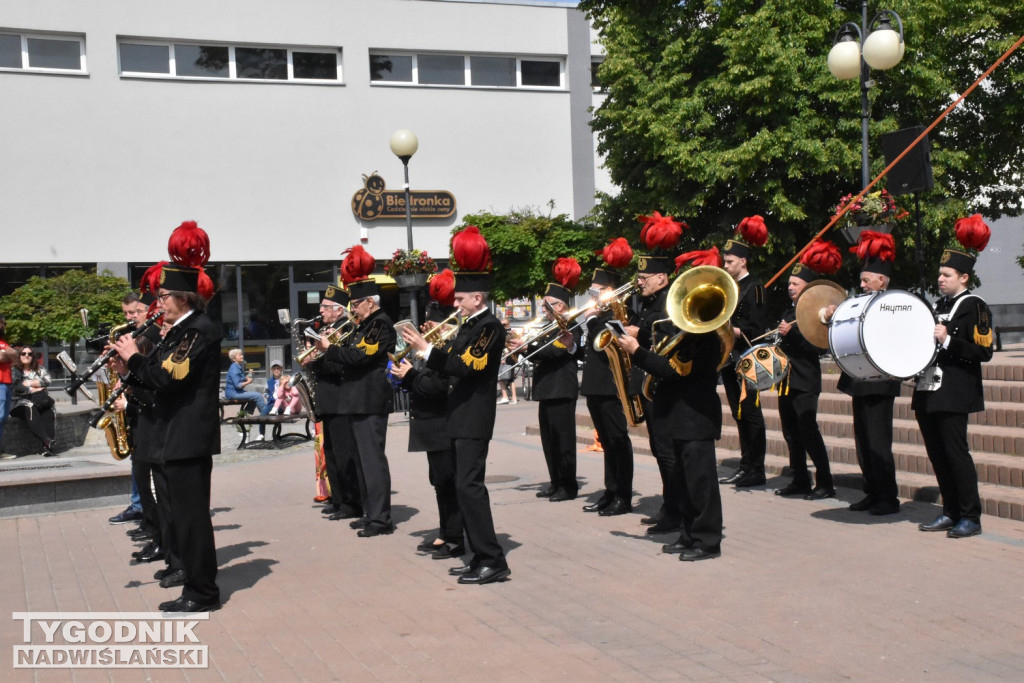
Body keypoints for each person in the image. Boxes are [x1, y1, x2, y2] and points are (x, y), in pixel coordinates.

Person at [111, 220, 222, 612]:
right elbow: (156, 381)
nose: (158, 302)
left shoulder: (199, 330)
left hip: (188, 437)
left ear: (183, 297)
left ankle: (202, 591)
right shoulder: (178, 330)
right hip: (171, 436)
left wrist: (135, 358)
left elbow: (170, 377)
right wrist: (128, 373)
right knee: (180, 516)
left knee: (191, 519)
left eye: (164, 296)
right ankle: (191, 582)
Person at [400, 226, 510, 585]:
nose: (455, 304)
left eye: (461, 299)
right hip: (460, 416)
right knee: (465, 487)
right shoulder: (471, 324)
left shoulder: (489, 327)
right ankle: (478, 554)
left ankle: (492, 558)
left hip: (474, 417)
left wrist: (425, 349)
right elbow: (454, 359)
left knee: (470, 487)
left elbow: (465, 366)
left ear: (477, 298)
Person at [619, 262, 726, 562]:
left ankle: (707, 541)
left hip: (695, 417)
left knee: (700, 482)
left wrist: (636, 351)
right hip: (679, 416)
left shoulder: (703, 338)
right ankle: (689, 533)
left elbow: (670, 371)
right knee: (683, 480)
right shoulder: (686, 335)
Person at [913, 216, 994, 538]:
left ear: (963, 276)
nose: (940, 279)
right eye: (939, 274)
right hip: (929, 388)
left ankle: (970, 516)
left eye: (947, 275)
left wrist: (947, 340)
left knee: (955, 453)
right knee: (936, 454)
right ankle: (949, 510)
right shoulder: (938, 305)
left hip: (955, 391)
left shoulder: (975, 306)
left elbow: (983, 351)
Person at [314, 245, 396, 538]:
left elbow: (360, 356)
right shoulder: (365, 324)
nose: (352, 309)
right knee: (362, 462)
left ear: (369, 302)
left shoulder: (380, 324)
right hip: (357, 401)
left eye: (355, 304)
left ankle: (381, 519)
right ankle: (369, 512)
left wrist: (330, 349)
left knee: (372, 462)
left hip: (370, 401)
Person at [828, 232, 901, 515]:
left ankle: (887, 497)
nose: (861, 285)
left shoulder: (894, 304)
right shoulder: (860, 302)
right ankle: (871, 491)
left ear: (881, 281)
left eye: (866, 280)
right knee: (863, 441)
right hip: (858, 379)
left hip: (881, 382)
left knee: (879, 443)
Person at [390, 274, 463, 559]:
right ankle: (447, 531)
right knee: (439, 481)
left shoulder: (449, 344)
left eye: (431, 322)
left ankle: (455, 535)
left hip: (443, 420)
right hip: (431, 422)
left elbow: (437, 386)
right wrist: (414, 366)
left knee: (448, 480)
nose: (427, 327)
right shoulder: (437, 346)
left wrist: (410, 376)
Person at [625, 211, 684, 534]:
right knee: (661, 452)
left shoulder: (667, 304)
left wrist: (637, 336)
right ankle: (670, 506)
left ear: (662, 278)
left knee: (667, 452)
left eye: (645, 277)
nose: (639, 281)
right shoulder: (648, 303)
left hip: (661, 384)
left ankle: (675, 510)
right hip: (649, 383)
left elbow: (664, 340)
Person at [516, 257, 582, 502]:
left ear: (561, 306)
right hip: (546, 389)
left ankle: (568, 485)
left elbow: (555, 351)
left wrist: (526, 348)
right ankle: (555, 481)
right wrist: (522, 348)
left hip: (562, 389)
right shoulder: (547, 327)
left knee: (564, 441)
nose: (544, 310)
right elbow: (538, 356)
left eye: (548, 306)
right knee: (549, 441)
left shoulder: (570, 326)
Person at [580, 237, 636, 516]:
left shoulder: (620, 313)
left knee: (617, 440)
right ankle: (610, 490)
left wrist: (591, 320)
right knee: (605, 439)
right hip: (595, 385)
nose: (593, 297)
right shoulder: (600, 313)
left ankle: (622, 495)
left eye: (598, 291)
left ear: (611, 291)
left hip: (612, 385)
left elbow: (602, 344)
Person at [774, 252, 836, 500]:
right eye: (789, 283)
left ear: (807, 288)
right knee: (790, 432)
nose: (790, 287)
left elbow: (819, 346)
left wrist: (793, 334)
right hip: (786, 379)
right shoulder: (788, 311)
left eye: (795, 284)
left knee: (808, 430)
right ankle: (799, 478)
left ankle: (825, 482)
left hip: (806, 379)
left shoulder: (816, 313)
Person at [717, 218, 769, 488]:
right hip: (729, 360)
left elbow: (756, 329)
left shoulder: (755, 288)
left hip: (747, 360)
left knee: (750, 413)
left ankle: (756, 469)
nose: (725, 267)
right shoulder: (729, 289)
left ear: (743, 262)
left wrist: (729, 329)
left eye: (729, 262)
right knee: (738, 414)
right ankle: (745, 464)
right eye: (725, 262)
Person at [305, 285, 363, 522]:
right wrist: (311, 358)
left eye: (325, 307)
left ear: (339, 310)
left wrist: (317, 358)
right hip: (327, 399)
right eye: (322, 306)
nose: (321, 310)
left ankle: (351, 502)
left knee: (344, 453)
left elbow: (341, 366)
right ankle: (337, 499)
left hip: (340, 399)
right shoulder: (327, 330)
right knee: (330, 453)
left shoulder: (346, 330)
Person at [109, 292, 151, 525]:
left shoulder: (150, 337)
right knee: (138, 459)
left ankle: (143, 508)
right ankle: (140, 505)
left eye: (135, 312)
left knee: (144, 461)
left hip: (143, 406)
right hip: (134, 403)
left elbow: (149, 377)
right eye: (126, 313)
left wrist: (128, 384)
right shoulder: (133, 335)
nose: (130, 317)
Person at [10, 347, 58, 457]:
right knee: (30, 407)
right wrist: (34, 388)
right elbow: (17, 387)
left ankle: (47, 448)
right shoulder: (14, 370)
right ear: (19, 356)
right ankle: (46, 439)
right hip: (19, 403)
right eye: (23, 353)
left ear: (33, 356)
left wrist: (28, 383)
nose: (27, 355)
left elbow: (47, 380)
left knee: (48, 411)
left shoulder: (39, 369)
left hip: (39, 401)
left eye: (30, 354)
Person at [225, 348, 268, 441]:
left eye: (241, 354)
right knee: (257, 395)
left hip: (237, 392)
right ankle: (265, 414)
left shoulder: (237, 366)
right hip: (233, 393)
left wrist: (248, 375)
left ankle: (245, 415)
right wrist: (248, 382)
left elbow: (240, 380)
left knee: (254, 397)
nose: (242, 356)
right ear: (234, 358)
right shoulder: (234, 368)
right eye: (239, 355)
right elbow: (238, 385)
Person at [0, 314, 19, 459]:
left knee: (3, 417)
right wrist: (8, 355)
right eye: (2, 323)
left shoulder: (3, 342)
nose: (4, 326)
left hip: (6, 383)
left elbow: (15, 356)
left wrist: (8, 354)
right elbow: (4, 357)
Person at [497, 321, 519, 405]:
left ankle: (506, 396)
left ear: (508, 324)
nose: (502, 325)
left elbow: (508, 347)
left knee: (501, 377)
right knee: (510, 378)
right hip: (511, 357)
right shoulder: (511, 332)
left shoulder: (507, 333)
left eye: (504, 324)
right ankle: (513, 398)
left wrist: (504, 358)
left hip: (507, 357)